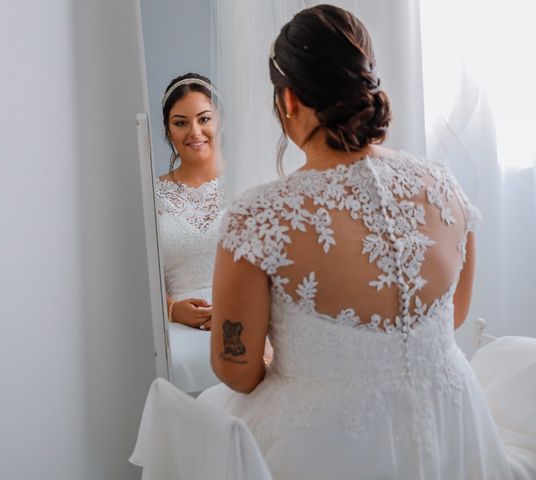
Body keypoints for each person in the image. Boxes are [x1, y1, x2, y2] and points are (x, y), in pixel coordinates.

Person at [200, 5, 517, 478]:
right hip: (451, 423)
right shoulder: (445, 187)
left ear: (288, 100)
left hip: (322, 443)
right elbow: (453, 315)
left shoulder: (258, 217)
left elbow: (236, 370)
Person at [155, 73, 225, 332]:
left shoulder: (247, 184)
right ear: (168, 130)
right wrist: (172, 308)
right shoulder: (151, 196)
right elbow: (135, 279)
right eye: (180, 123)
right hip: (175, 329)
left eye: (204, 119)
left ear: (220, 120)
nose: (195, 132)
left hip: (248, 319)